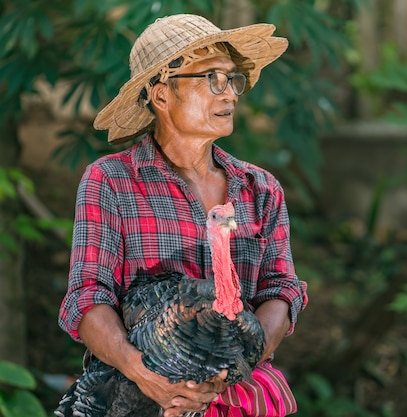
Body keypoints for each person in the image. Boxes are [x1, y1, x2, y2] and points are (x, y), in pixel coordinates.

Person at [58, 14, 308, 417]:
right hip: (142, 395)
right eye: (212, 78)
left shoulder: (260, 189)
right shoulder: (112, 181)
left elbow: (280, 290)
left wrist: (231, 364)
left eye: (232, 80)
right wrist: (146, 374)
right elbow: (88, 297)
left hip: (240, 395)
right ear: (161, 94)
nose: (229, 95)